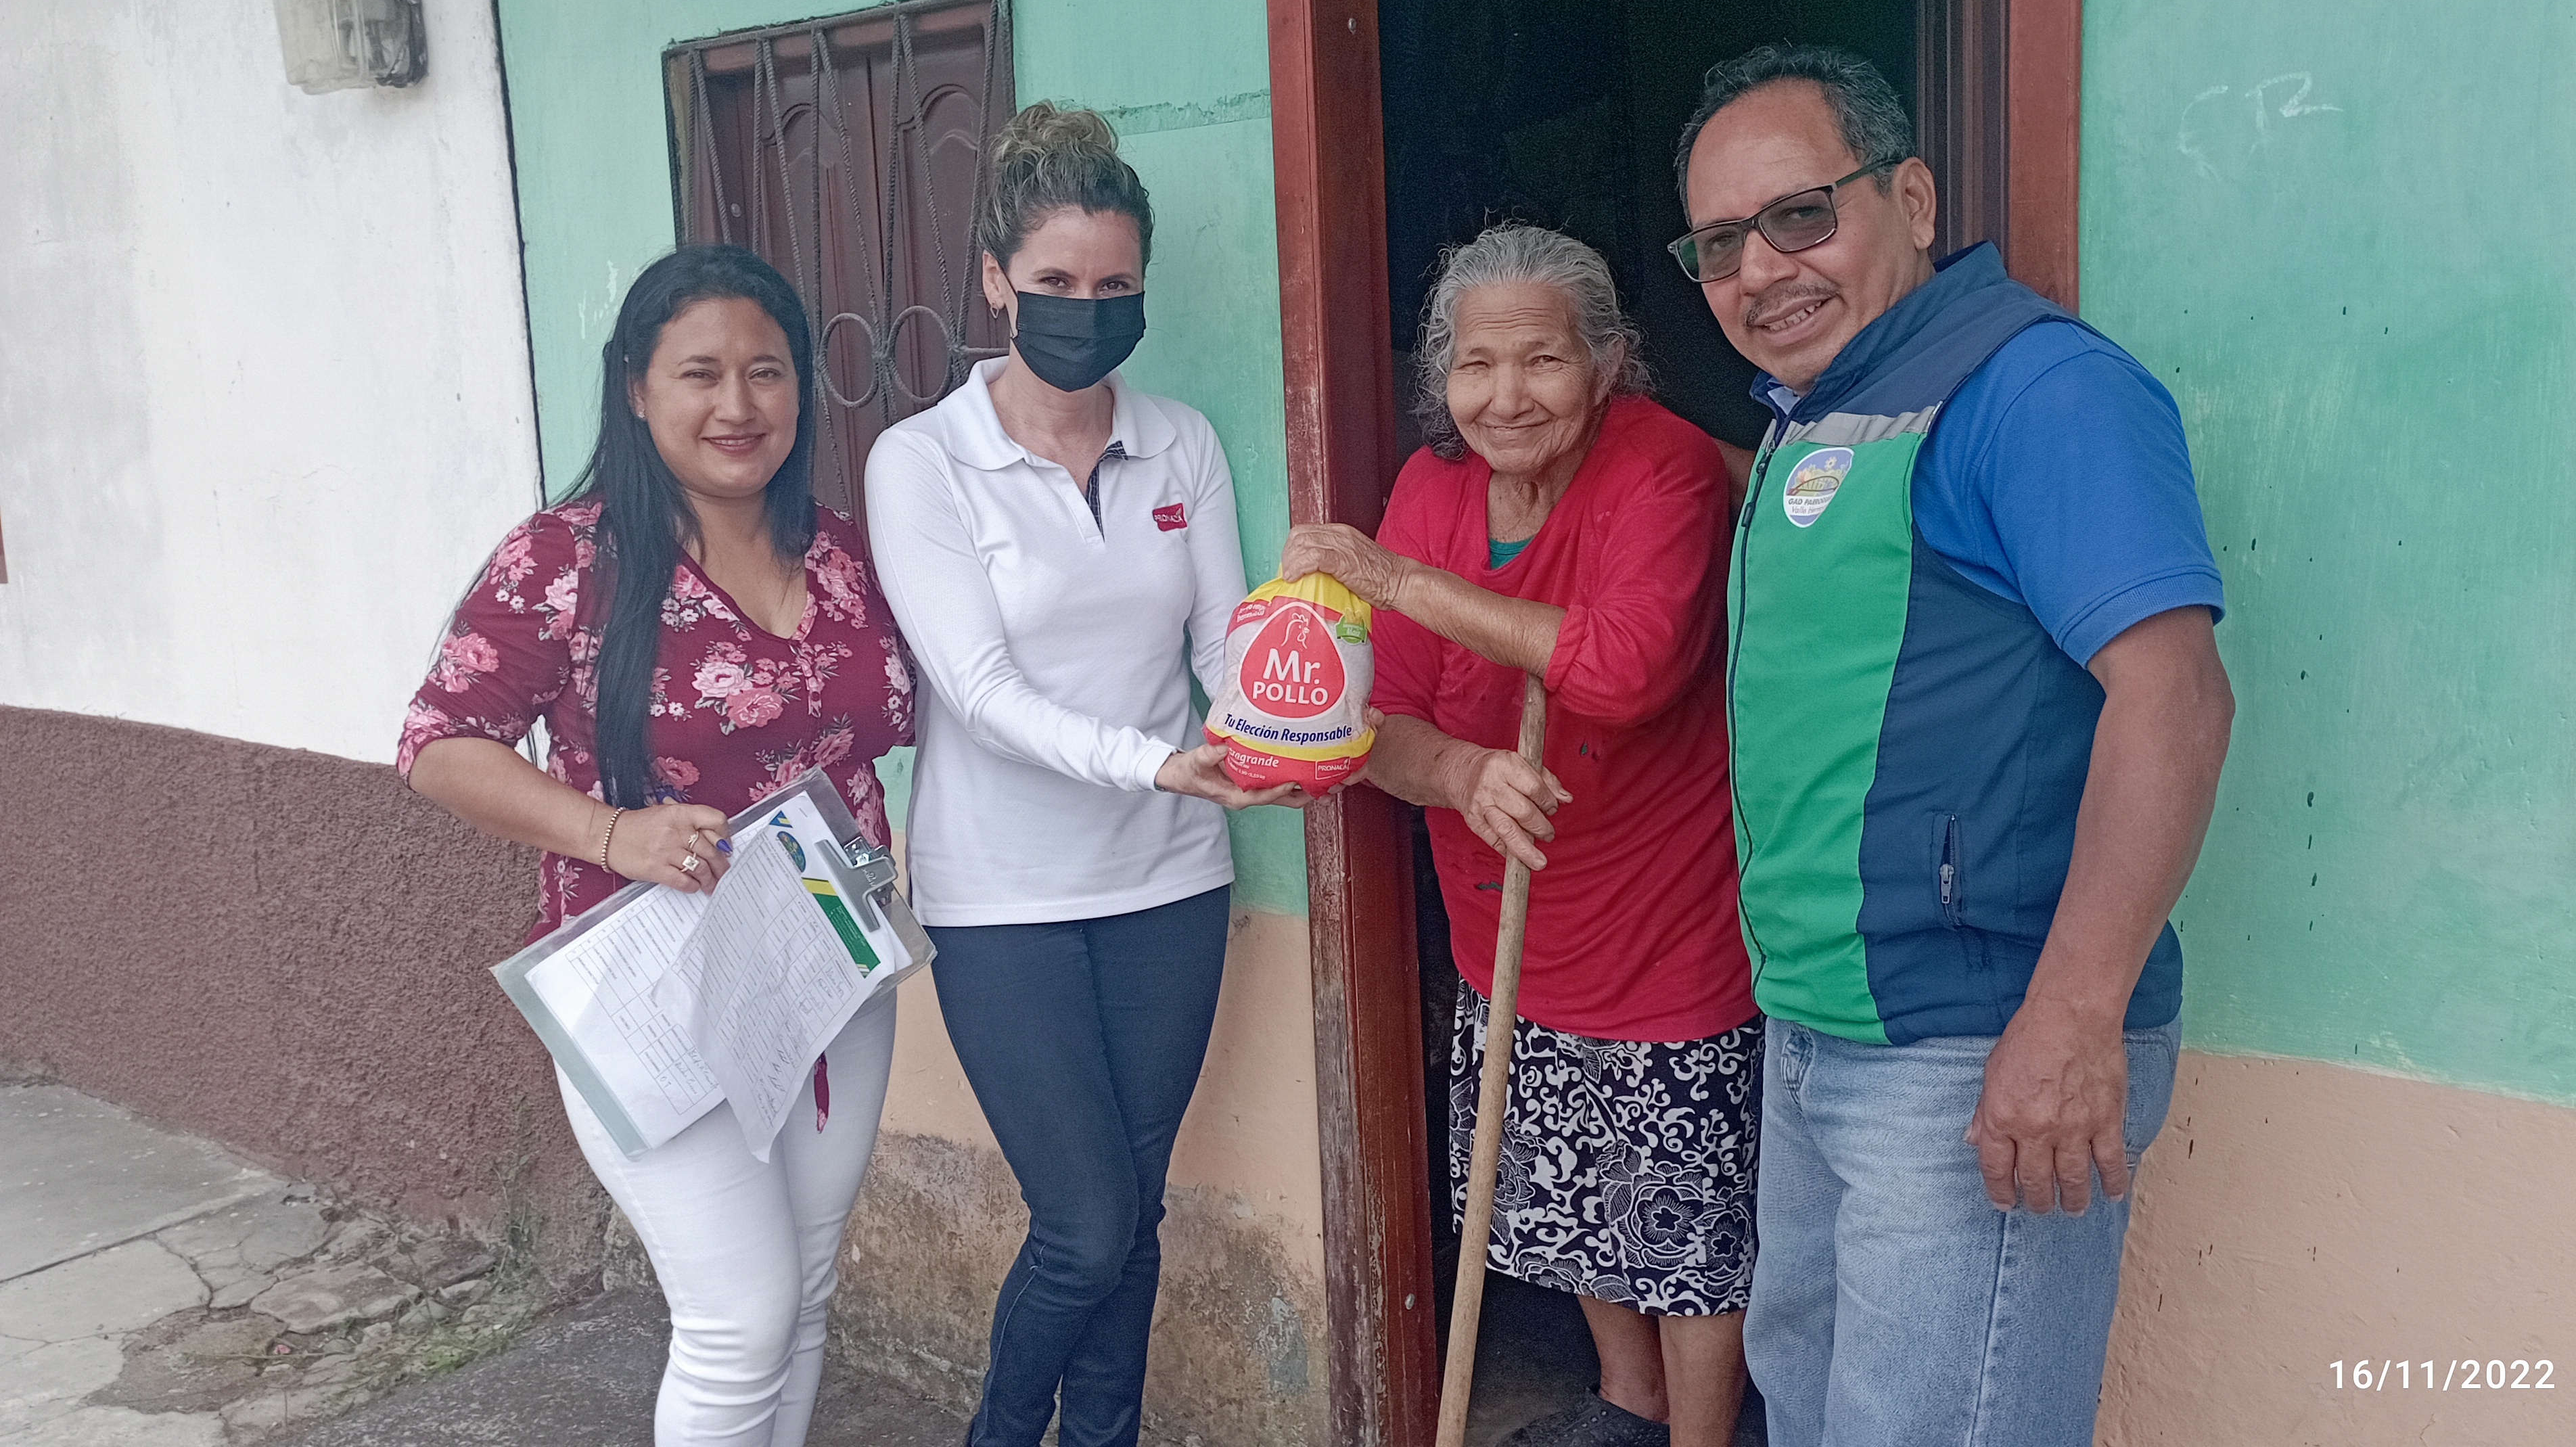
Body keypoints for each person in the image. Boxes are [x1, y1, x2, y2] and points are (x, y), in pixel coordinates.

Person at [1670, 43, 2236, 1447]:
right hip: (1821, 1032)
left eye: (1801, 215)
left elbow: (2175, 697)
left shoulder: (2035, 391)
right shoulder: (1818, 416)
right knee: (1811, 1407)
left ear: (1911, 199)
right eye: (1720, 244)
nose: (1761, 270)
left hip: (1979, 1042)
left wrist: (2073, 1019)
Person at [401, 246, 916, 1447]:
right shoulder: (565, 560)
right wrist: (610, 832)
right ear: (636, 388)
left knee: (805, 1289)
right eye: (700, 373)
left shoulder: (843, 552)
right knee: (740, 1318)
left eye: (767, 372)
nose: (738, 405)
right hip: (653, 985)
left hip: (832, 960)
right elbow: (439, 744)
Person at [860, 102, 1299, 1447]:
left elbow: (1220, 643)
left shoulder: (1182, 443)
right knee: (1087, 1222)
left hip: (1170, 885)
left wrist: (1279, 724)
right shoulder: (923, 462)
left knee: (1137, 1212)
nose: (1086, 311)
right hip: (1007, 898)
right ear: (996, 281)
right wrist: (1158, 762)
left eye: (1116, 288)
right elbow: (980, 696)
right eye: (1055, 282)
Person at [1283, 224, 1759, 1447]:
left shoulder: (1662, 468)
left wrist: (1398, 581)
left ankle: (1700, 1435)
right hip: (1507, 910)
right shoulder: (1431, 490)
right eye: (1476, 365)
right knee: (1567, 1191)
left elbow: (1626, 669)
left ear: (1606, 361)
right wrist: (1461, 771)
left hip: (1666, 916)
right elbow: (1373, 721)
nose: (1507, 397)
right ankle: (1626, 1403)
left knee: (1683, 1231)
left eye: (1543, 360)